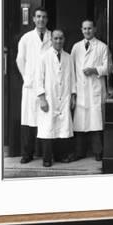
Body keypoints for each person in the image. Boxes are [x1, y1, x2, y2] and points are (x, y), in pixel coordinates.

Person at [35, 29, 77, 167]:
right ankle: (47, 158)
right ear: (51, 40)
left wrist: (73, 96)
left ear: (64, 39)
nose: (58, 41)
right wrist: (42, 98)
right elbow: (38, 79)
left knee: (62, 129)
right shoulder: (44, 57)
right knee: (48, 129)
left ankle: (60, 156)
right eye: (56, 38)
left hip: (64, 97)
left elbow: (72, 78)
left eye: (61, 38)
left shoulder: (68, 57)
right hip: (49, 97)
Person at [15, 7, 51, 164]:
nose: (41, 19)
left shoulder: (52, 37)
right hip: (30, 86)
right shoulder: (26, 38)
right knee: (29, 121)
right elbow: (20, 60)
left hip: (47, 85)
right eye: (38, 17)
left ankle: (46, 155)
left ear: (47, 19)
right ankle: (27, 154)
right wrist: (27, 78)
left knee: (46, 121)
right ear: (33, 19)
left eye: (44, 17)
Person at [71, 20, 110, 161]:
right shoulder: (76, 47)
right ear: (81, 30)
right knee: (80, 123)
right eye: (85, 28)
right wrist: (73, 92)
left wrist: (95, 70)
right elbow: (71, 70)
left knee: (96, 123)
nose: (87, 31)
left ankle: (98, 152)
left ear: (95, 29)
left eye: (90, 28)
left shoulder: (102, 47)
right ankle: (79, 152)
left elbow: (108, 67)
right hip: (81, 90)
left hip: (95, 88)